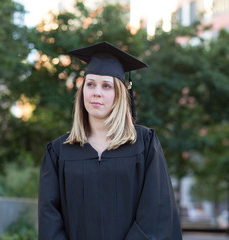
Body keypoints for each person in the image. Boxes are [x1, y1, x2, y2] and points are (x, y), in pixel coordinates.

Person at [38, 41, 183, 240]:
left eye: (106, 86)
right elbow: (49, 220)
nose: (97, 92)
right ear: (82, 93)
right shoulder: (58, 152)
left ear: (119, 95)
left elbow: (157, 211)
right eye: (90, 84)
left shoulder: (144, 143)